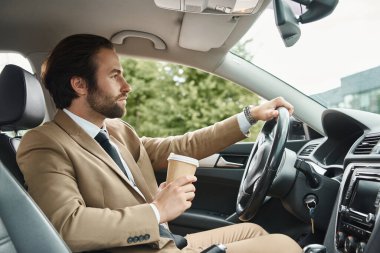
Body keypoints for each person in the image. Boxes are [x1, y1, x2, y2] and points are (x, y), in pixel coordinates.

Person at [16, 34, 301, 253]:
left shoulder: (116, 131)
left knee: (252, 233)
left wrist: (249, 116)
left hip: (164, 244)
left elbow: (183, 145)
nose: (127, 86)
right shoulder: (44, 143)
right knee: (283, 247)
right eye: (115, 75)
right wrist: (157, 211)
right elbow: (67, 226)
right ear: (79, 85)